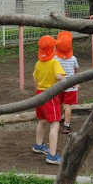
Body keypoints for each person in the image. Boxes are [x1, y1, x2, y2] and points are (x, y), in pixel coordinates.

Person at [32, 35, 66, 165]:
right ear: (54, 49)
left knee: (42, 120)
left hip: (40, 94)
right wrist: (69, 80)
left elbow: (35, 79)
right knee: (55, 124)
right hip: (50, 95)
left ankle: (38, 145)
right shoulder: (54, 62)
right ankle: (52, 155)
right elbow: (58, 76)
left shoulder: (38, 63)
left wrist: (37, 94)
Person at [54, 31, 79, 134]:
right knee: (67, 105)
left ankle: (60, 117)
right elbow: (76, 71)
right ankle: (67, 125)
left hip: (59, 85)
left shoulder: (55, 59)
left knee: (59, 102)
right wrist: (76, 82)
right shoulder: (73, 59)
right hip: (71, 85)